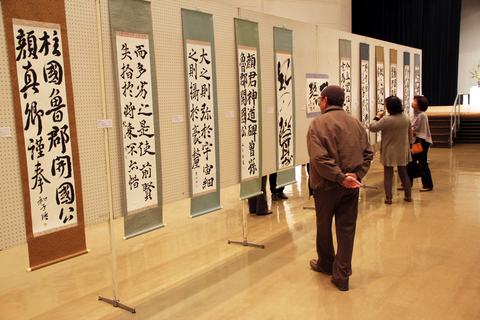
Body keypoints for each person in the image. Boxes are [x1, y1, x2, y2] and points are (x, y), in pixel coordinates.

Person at [306, 85, 374, 291]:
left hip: (326, 186)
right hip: (351, 186)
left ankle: (326, 264)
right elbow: (369, 154)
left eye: (319, 99)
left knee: (324, 227)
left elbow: (318, 158)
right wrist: (355, 175)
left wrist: (338, 177)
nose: (319, 102)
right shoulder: (357, 123)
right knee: (346, 230)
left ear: (325, 100)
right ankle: (342, 275)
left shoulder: (317, 124)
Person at [369, 96, 414, 204]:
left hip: (389, 150)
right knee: (404, 174)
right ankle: (408, 195)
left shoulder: (386, 119)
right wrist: (410, 146)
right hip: (402, 149)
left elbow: (372, 127)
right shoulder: (406, 117)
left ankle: (388, 197)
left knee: (388, 175)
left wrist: (377, 117)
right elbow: (410, 135)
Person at [408, 95, 434, 191]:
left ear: (419, 104)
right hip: (414, 141)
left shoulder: (422, 115)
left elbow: (416, 129)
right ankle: (407, 184)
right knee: (410, 163)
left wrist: (411, 129)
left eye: (414, 101)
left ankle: (428, 184)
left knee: (422, 163)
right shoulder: (414, 114)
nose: (412, 102)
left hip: (421, 141)